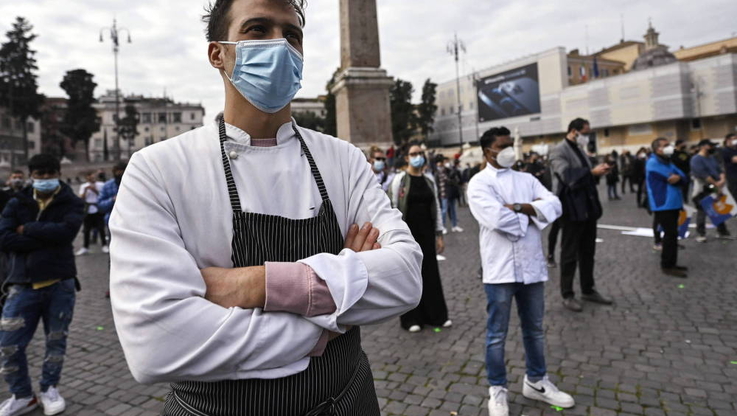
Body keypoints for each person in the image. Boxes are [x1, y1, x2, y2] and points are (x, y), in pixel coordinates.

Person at [109, 1, 423, 415]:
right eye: (257, 29)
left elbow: (404, 277)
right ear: (217, 53)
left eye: (292, 35)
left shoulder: (343, 160)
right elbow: (157, 343)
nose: (280, 45)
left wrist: (253, 285)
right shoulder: (158, 169)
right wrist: (332, 314)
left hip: (348, 401)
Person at [468, 127, 574, 416]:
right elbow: (495, 217)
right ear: (487, 151)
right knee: (496, 334)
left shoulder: (527, 178)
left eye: (510, 145)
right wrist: (531, 215)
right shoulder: (479, 183)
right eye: (502, 146)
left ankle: (537, 380)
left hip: (531, 266)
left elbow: (554, 204)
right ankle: (497, 388)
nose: (508, 151)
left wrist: (519, 207)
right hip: (499, 269)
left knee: (535, 330)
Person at [0, 154, 84, 416]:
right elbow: (4, 238)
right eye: (40, 173)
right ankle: (23, 395)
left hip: (60, 283)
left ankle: (49, 388)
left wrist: (27, 229)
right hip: (22, 283)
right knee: (9, 344)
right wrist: (47, 236)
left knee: (56, 342)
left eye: (50, 173)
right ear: (31, 173)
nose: (45, 178)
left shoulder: (71, 201)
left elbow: (67, 233)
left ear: (58, 173)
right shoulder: (17, 201)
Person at [549, 118, 613, 312]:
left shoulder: (581, 150)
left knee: (588, 251)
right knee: (569, 253)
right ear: (574, 131)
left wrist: (597, 173)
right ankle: (567, 293)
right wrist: (591, 172)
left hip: (587, 207)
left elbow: (585, 174)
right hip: (570, 209)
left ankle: (588, 288)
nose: (587, 136)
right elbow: (566, 175)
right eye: (585, 132)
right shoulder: (558, 150)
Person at [388, 144, 450, 333]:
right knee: (409, 274)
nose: (417, 157)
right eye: (413, 154)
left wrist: (439, 233)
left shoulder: (429, 179)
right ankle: (411, 318)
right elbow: (392, 207)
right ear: (406, 158)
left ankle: (436, 316)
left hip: (428, 232)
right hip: (408, 234)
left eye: (419, 153)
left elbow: (437, 207)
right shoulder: (399, 180)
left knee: (431, 273)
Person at [646, 138, 689, 278]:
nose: (669, 147)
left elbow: (683, 176)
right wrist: (678, 178)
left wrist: (680, 178)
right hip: (663, 204)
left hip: (674, 203)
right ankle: (666, 265)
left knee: (673, 234)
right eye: (665, 146)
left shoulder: (669, 162)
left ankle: (672, 262)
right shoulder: (653, 163)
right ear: (657, 149)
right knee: (669, 235)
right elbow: (669, 177)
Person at [691, 139, 733, 242]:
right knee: (702, 210)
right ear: (702, 147)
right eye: (710, 146)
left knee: (718, 209)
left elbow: (720, 170)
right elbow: (703, 175)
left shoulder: (711, 158)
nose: (712, 148)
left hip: (716, 186)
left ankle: (722, 231)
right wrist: (716, 184)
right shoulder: (696, 159)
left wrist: (722, 180)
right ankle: (701, 233)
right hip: (704, 187)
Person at [76, 171, 108, 255]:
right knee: (86, 229)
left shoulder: (101, 184)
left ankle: (104, 245)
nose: (91, 178)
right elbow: (81, 198)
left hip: (98, 208)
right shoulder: (83, 186)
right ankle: (85, 247)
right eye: (89, 177)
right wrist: (86, 190)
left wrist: (94, 190)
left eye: (93, 177)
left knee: (101, 228)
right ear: (87, 178)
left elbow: (102, 196)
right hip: (88, 209)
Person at [722, 133, 737, 200]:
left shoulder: (735, 150)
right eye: (734, 139)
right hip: (733, 176)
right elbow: (735, 160)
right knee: (735, 194)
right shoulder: (725, 150)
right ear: (727, 140)